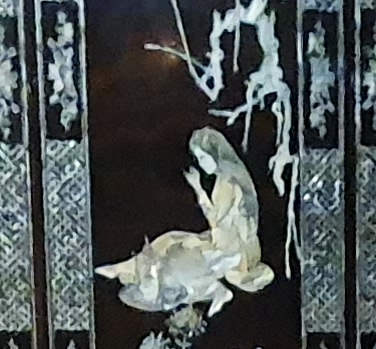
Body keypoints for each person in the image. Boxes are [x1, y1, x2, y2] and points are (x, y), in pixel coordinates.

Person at [96, 127, 275, 321]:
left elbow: (220, 222)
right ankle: (125, 269)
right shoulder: (222, 184)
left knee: (178, 259)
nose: (202, 164)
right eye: (200, 159)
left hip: (224, 247)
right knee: (170, 243)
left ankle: (133, 272)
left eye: (203, 158)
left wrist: (199, 190)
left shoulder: (231, 188)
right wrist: (198, 187)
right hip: (217, 242)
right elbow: (215, 218)